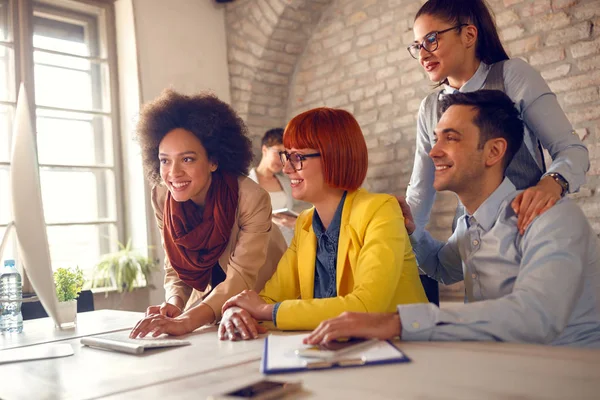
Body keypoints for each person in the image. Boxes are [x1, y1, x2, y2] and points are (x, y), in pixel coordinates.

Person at [305, 90, 600, 348]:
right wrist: (411, 231)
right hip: (500, 365)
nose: (433, 152)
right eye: (435, 138)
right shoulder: (468, 225)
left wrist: (398, 322)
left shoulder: (552, 217)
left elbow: (537, 316)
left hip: (568, 371)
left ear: (494, 151)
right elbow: (441, 268)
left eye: (451, 138)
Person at [218, 107, 428, 341]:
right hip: (338, 354)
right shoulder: (305, 224)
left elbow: (367, 307)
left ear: (333, 156)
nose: (286, 169)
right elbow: (269, 296)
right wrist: (238, 310)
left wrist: (266, 311)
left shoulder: (381, 210)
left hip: (404, 354)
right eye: (287, 156)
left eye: (297, 157)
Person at [405, 0, 589, 238]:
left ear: (469, 35)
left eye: (431, 40)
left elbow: (572, 150)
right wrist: (402, 234)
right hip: (473, 245)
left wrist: (550, 185)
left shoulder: (512, 76)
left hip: (532, 234)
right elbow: (420, 193)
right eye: (417, 46)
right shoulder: (430, 108)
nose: (423, 55)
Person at [129, 90, 287, 338]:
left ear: (213, 160)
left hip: (260, 296)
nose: (174, 173)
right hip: (209, 303)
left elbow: (242, 277)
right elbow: (175, 263)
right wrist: (173, 303)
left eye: (188, 159)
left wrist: (186, 322)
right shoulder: (161, 197)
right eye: (165, 160)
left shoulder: (250, 197)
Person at [248, 128, 309, 244]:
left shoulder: (287, 182)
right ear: (264, 149)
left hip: (284, 245)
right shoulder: (244, 181)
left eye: (287, 155)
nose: (283, 160)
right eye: (278, 153)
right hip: (255, 246)